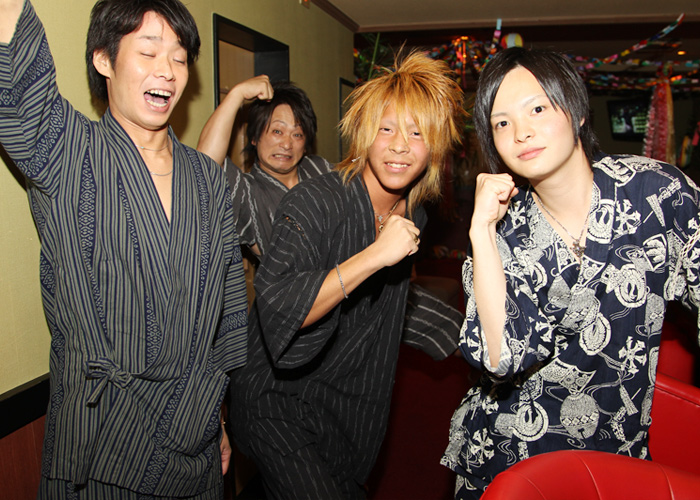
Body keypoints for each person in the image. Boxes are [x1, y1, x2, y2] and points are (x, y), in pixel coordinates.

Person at [0, 0, 248, 498]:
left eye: (179, 58)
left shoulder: (207, 179)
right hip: (100, 444)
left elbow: (225, 315)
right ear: (104, 60)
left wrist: (218, 420)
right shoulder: (68, 152)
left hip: (194, 436)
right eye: (148, 52)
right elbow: (17, 58)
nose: (167, 71)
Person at [440, 46, 700, 498]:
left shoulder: (657, 194)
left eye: (537, 109)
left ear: (577, 110)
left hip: (618, 450)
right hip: (514, 453)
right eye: (501, 123)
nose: (521, 132)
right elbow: (501, 360)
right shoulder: (505, 231)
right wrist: (481, 231)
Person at [228, 51, 467, 499]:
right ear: (363, 134)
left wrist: (469, 336)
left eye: (417, 133)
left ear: (435, 146)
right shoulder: (314, 202)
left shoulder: (414, 213)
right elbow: (281, 309)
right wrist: (374, 255)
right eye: (386, 129)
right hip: (274, 399)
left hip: (342, 399)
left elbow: (388, 302)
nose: (400, 146)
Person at [197, 78, 332, 259]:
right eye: (277, 131)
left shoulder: (320, 169)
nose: (287, 144)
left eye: (297, 134)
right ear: (254, 137)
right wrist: (236, 94)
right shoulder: (247, 192)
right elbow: (205, 164)